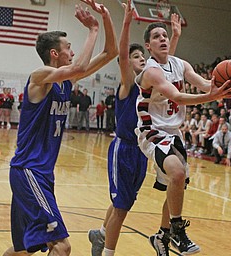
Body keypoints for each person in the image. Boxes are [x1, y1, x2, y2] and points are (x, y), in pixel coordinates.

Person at [3, 1, 118, 255]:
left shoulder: (67, 81)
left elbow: (111, 53)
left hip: (41, 174)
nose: (73, 52)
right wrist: (92, 31)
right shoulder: (39, 77)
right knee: (62, 247)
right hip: (28, 171)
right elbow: (77, 67)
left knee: (23, 250)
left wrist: (106, 18)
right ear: (55, 53)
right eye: (68, 48)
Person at [134, 21, 231, 255]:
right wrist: (213, 96)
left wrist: (227, 85)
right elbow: (178, 97)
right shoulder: (151, 71)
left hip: (174, 133)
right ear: (148, 46)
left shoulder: (180, 64)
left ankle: (162, 234)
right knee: (177, 173)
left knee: (177, 184)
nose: (163, 38)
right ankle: (178, 231)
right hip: (152, 131)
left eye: (165, 35)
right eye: (157, 37)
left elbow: (203, 84)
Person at [88, 2, 147, 255]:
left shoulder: (150, 85)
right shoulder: (127, 84)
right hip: (123, 149)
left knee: (125, 202)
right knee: (121, 206)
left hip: (142, 149)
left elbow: (166, 67)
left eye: (143, 56)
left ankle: (100, 234)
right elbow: (121, 54)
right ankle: (107, 250)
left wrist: (175, 36)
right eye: (136, 56)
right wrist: (126, 21)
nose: (141, 59)